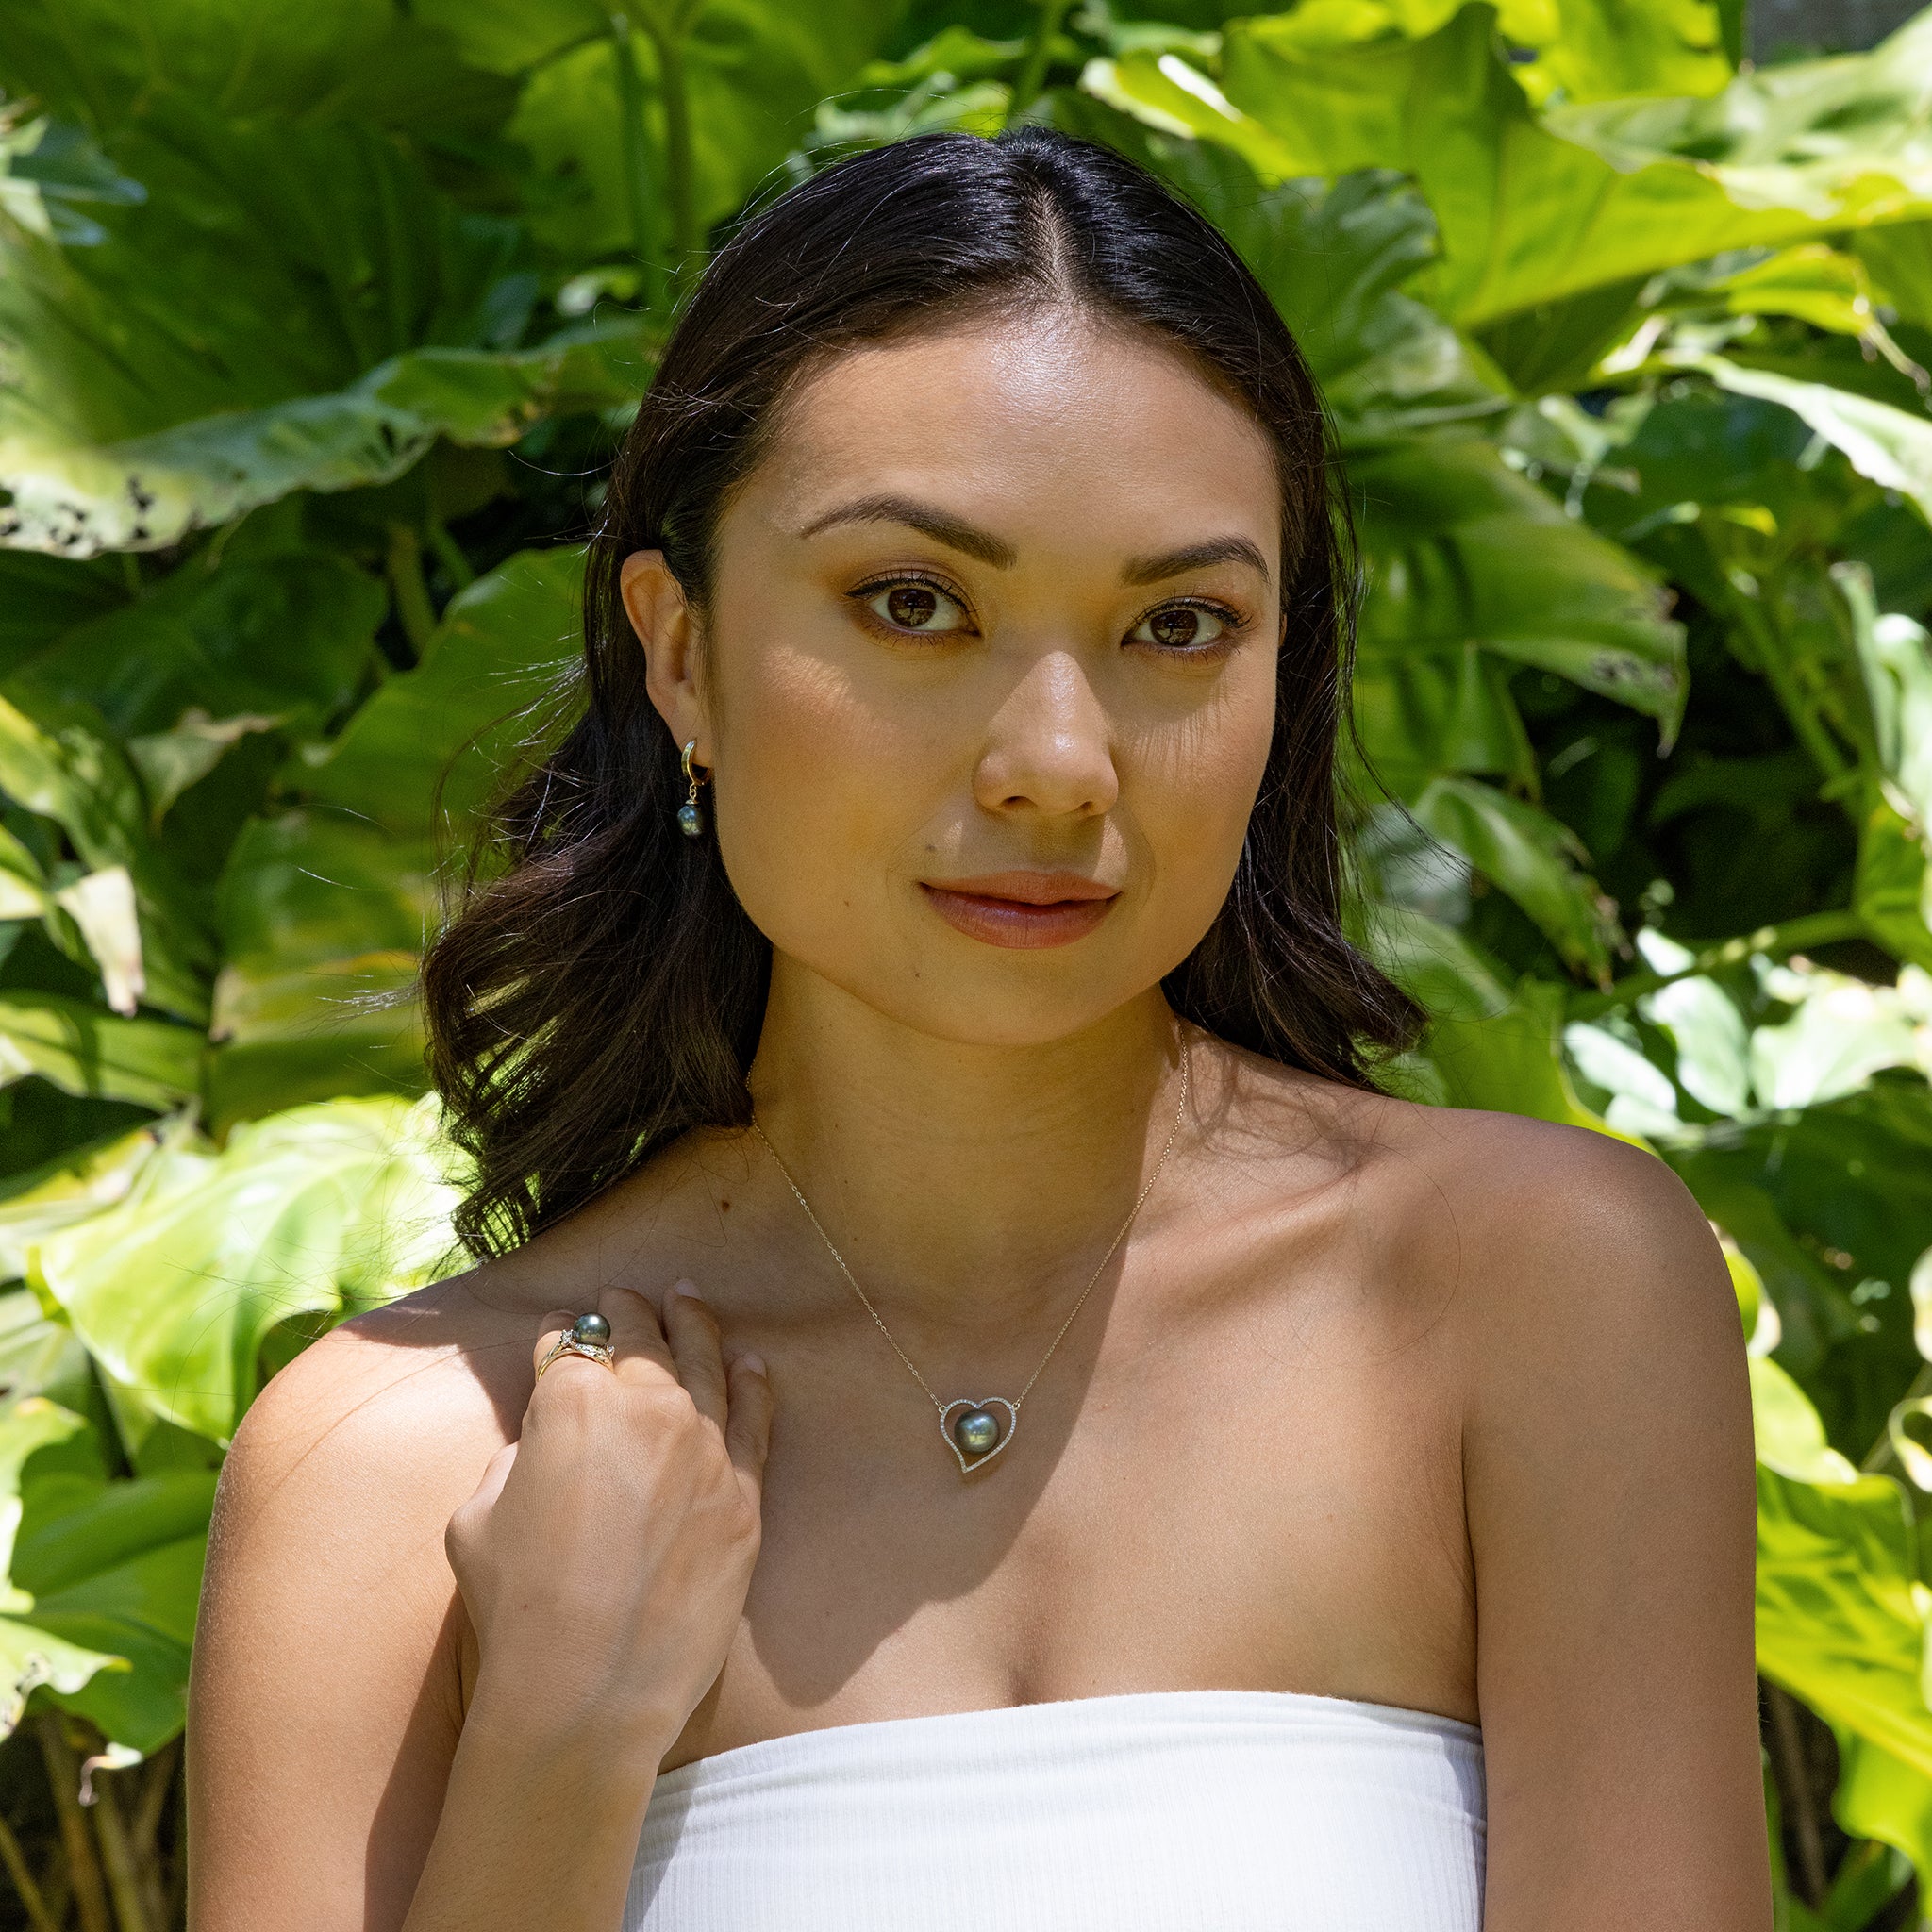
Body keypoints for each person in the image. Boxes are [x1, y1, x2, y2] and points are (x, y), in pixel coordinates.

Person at [186, 127, 1769, 1931]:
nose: (1057, 768)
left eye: (1178, 625)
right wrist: (559, 1742)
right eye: (914, 604)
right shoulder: (398, 1474)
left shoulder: (1533, 1303)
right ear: (680, 653)